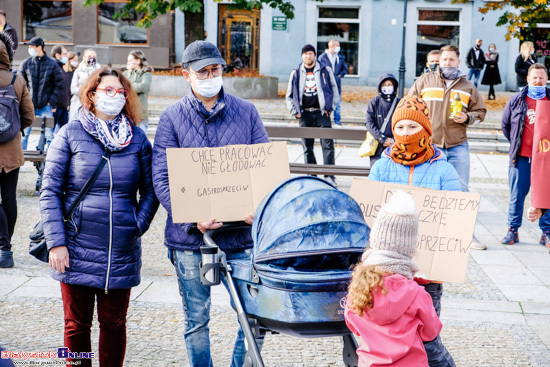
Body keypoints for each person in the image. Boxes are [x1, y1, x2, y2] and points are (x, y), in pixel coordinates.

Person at [152, 40, 267, 367]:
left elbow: (262, 167)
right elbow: (163, 178)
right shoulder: (172, 118)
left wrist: (258, 207)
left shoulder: (247, 111)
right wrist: (192, 218)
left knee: (253, 318)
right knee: (197, 320)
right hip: (191, 239)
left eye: (215, 69)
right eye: (203, 71)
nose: (210, 75)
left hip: (241, 237)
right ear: (187, 75)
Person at [40, 67, 159, 367]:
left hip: (120, 249)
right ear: (91, 94)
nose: (115, 97)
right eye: (108, 90)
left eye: (120, 92)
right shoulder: (70, 133)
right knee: (76, 325)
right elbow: (50, 190)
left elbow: (151, 190)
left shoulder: (137, 139)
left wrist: (137, 223)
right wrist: (56, 243)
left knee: (115, 324)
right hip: (76, 246)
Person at [368, 95, 459, 367]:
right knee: (386, 341)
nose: (406, 134)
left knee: (428, 342)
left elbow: (457, 216)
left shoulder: (444, 170)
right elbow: (368, 214)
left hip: (425, 275)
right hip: (386, 275)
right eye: (400, 127)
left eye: (412, 127)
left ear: (426, 129)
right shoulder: (382, 166)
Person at [345, 191, 442, 367]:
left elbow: (353, 325)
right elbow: (431, 332)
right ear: (410, 248)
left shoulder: (358, 286)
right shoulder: (416, 293)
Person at [408, 45, 487, 193]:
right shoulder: (424, 81)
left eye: (451, 59)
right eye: (444, 59)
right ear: (440, 61)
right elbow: (409, 106)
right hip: (430, 144)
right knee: (427, 188)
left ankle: (458, 217)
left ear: (458, 62)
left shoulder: (468, 86)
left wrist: (467, 117)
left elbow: (481, 112)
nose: (447, 62)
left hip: (458, 145)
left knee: (460, 188)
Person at [501, 63, 550, 247]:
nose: (538, 81)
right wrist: (517, 144)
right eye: (534, 77)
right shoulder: (517, 100)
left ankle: (546, 232)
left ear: (546, 79)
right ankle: (512, 230)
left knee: (547, 195)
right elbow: (506, 126)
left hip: (545, 158)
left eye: (541, 77)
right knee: (517, 195)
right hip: (521, 157)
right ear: (528, 79)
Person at [0, 33, 35, 268]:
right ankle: (5, 248)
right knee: (9, 197)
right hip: (12, 152)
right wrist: (11, 130)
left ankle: (3, 247)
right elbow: (29, 116)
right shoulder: (17, 79)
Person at [285, 44, 339, 186]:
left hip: (322, 113)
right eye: (305, 54)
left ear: (314, 55)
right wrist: (294, 111)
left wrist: (330, 108)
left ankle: (329, 176)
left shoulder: (325, 70)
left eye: (310, 53)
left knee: (327, 145)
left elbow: (335, 90)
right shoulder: (296, 73)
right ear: (302, 56)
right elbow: (289, 95)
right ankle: (311, 176)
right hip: (304, 115)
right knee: (307, 147)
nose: (308, 56)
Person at [19, 37, 63, 151]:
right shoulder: (26, 63)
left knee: (49, 136)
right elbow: (19, 82)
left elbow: (59, 84)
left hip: (46, 106)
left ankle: (50, 162)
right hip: (29, 105)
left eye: (31, 47)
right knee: (23, 135)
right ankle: (19, 163)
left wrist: (51, 101)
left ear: (39, 47)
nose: (29, 49)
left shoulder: (52, 64)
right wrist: (24, 100)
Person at [365, 73, 400, 166]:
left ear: (394, 86)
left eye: (389, 85)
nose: (387, 87)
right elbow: (369, 123)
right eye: (384, 85)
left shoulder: (399, 102)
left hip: (395, 146)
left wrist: (394, 140)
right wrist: (382, 139)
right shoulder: (374, 102)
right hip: (378, 146)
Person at [318, 39, 348, 127]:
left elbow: (345, 69)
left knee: (337, 104)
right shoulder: (323, 57)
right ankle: (324, 121)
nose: (339, 47)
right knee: (325, 103)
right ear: (332, 46)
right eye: (337, 46)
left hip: (337, 85)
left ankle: (337, 121)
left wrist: (339, 75)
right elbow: (319, 69)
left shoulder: (340, 57)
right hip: (326, 85)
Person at [124, 50, 152, 133]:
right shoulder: (126, 73)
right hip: (127, 112)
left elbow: (143, 86)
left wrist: (128, 86)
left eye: (130, 61)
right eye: (127, 61)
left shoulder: (146, 73)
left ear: (138, 61)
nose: (128, 63)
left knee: (140, 139)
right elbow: (121, 87)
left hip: (140, 114)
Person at [69, 48, 101, 122]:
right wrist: (88, 90)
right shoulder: (78, 71)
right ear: (84, 58)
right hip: (78, 103)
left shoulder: (99, 72)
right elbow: (73, 89)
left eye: (94, 57)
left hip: (93, 104)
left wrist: (82, 88)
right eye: (89, 56)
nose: (92, 58)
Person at [51, 45, 70, 132]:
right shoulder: (53, 68)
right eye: (65, 54)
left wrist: (67, 103)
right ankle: (40, 146)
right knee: (50, 131)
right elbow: (51, 87)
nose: (66, 56)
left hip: (63, 106)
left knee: (65, 131)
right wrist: (53, 105)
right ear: (57, 55)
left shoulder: (61, 68)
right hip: (56, 106)